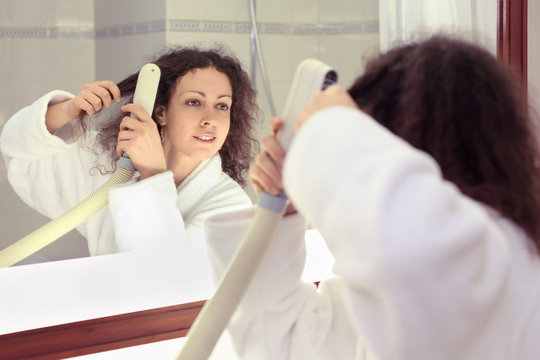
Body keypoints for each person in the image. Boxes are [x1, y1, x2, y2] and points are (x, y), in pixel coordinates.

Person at [202, 34, 540, 359]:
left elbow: (409, 251)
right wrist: (282, 211)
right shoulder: (385, 295)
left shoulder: (501, 259)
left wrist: (331, 129)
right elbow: (279, 345)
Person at [0, 45, 259, 257]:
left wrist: (152, 174)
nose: (210, 119)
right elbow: (19, 153)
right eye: (194, 102)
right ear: (161, 112)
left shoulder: (233, 208)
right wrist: (68, 110)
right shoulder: (105, 161)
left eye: (222, 106)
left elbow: (167, 281)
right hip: (103, 312)